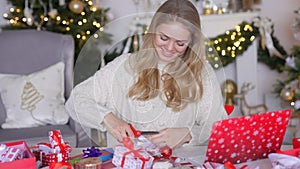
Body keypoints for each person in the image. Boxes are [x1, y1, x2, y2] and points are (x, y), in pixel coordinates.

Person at [65, 0, 228, 149]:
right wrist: (108, 119)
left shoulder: (202, 73)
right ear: (152, 31)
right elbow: (75, 101)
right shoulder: (124, 66)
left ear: (191, 42)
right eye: (164, 38)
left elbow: (219, 127)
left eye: (180, 43)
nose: (170, 48)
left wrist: (188, 134)